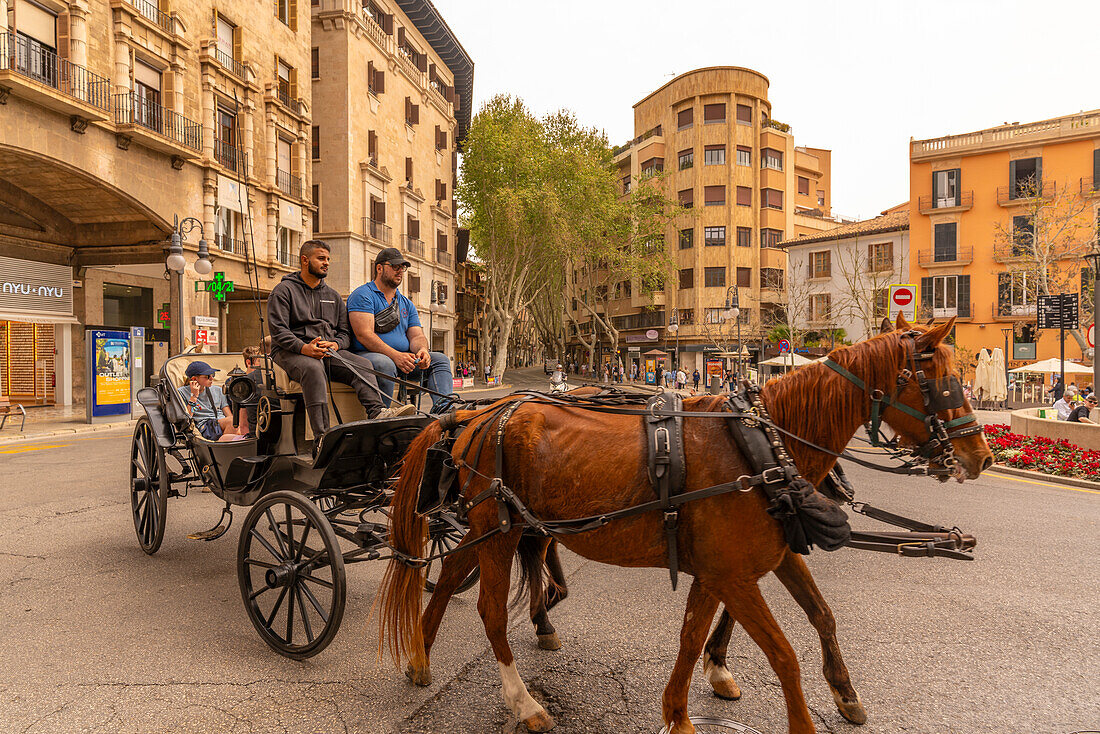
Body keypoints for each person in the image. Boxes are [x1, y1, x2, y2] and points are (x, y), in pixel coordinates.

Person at [268, 240, 414, 443]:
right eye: (321, 258)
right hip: (291, 351)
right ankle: (322, 437)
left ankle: (377, 414)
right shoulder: (283, 291)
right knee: (313, 368)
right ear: (304, 260)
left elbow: (345, 333)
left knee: (363, 364)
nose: (326, 263)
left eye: (328, 259)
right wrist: (304, 348)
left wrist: (336, 344)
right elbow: (278, 331)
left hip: (328, 351)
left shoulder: (333, 296)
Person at [348, 247, 455, 413]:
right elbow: (364, 335)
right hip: (370, 357)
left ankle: (444, 412)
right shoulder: (363, 295)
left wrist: (422, 351)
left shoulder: (406, 303)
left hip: (403, 359)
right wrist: (395, 356)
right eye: (395, 267)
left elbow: (417, 335)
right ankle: (381, 416)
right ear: (379, 268)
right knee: (385, 363)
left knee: (439, 360)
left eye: (402, 268)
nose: (400, 272)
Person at [176, 361, 244, 442]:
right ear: (194, 379)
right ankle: (222, 448)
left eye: (213, 375)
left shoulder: (218, 390)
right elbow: (188, 418)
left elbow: (228, 415)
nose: (212, 378)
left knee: (237, 424)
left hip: (221, 424)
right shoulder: (182, 392)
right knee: (232, 422)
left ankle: (223, 445)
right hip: (204, 427)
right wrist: (194, 396)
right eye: (207, 376)